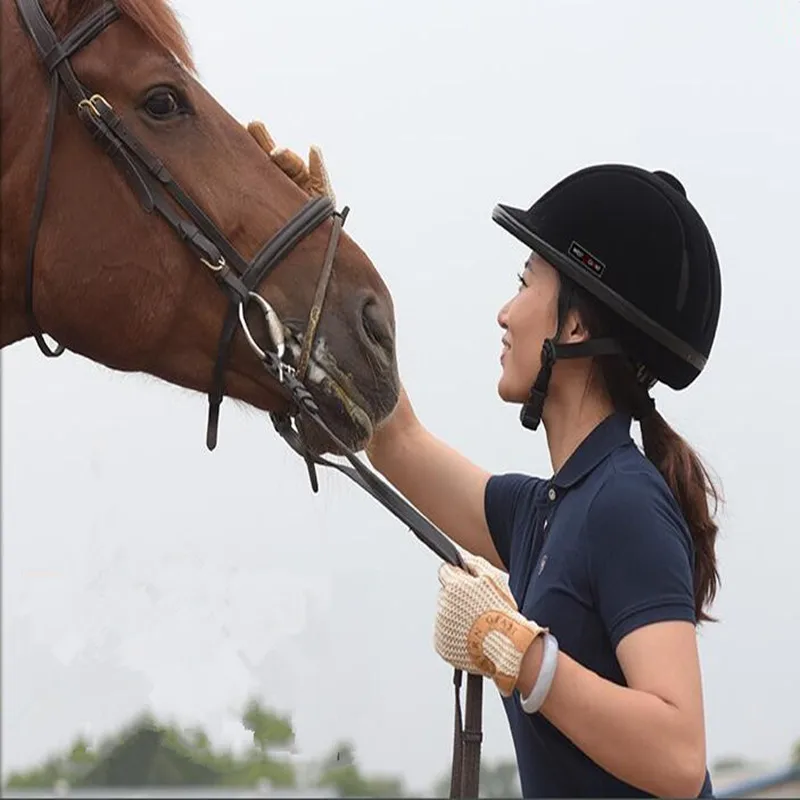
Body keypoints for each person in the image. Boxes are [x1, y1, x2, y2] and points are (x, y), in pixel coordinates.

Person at [366, 164, 722, 798]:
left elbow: (677, 755)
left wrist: (517, 652)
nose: (505, 313)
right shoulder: (544, 512)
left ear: (576, 325)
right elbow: (397, 441)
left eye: (525, 282)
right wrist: (306, 265)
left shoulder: (625, 503)